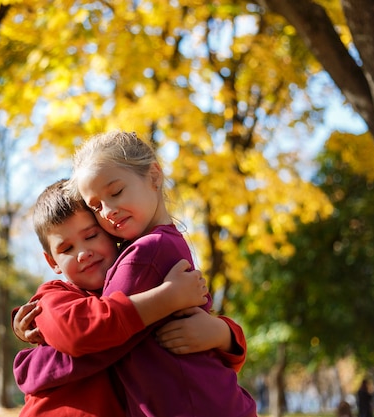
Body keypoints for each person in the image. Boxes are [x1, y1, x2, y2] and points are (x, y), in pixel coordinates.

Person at [61, 130, 256, 416]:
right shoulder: (164, 243)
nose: (108, 211)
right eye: (96, 206)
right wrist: (226, 334)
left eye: (116, 192)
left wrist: (30, 367)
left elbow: (94, 338)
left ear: (154, 176)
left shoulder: (146, 253)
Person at [13, 179, 247, 416]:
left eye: (92, 236)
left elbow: (192, 344)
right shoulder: (53, 297)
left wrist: (223, 334)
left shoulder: (141, 275)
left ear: (110, 230)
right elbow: (81, 332)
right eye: (66, 249)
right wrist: (166, 298)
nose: (83, 253)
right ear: (52, 262)